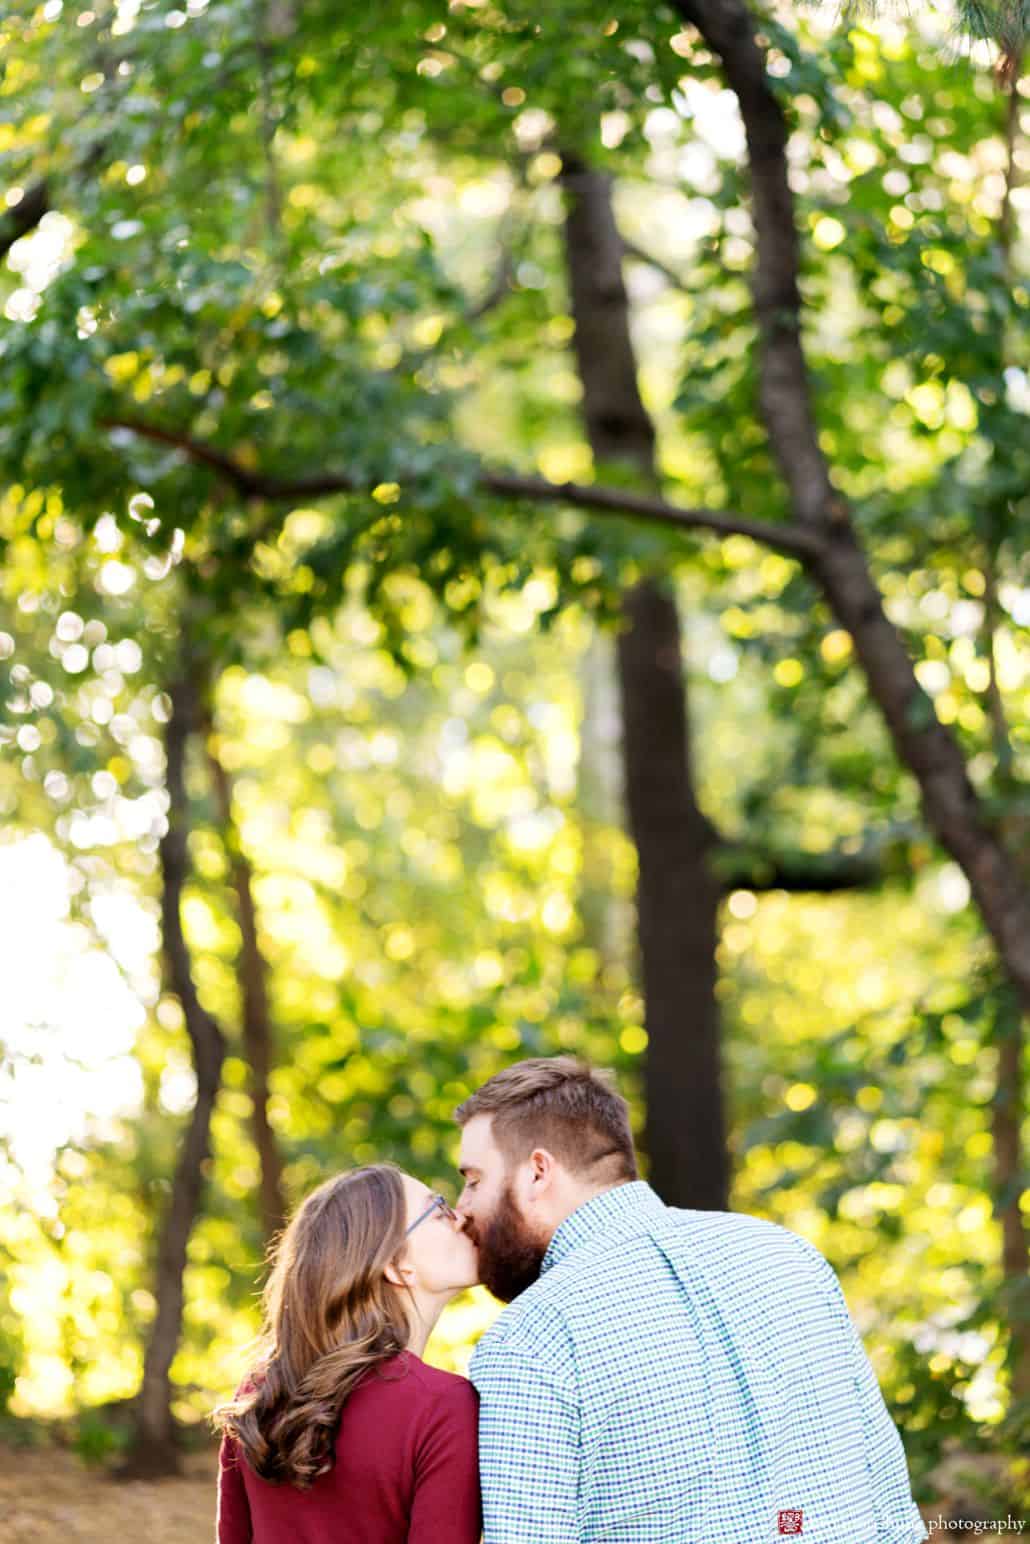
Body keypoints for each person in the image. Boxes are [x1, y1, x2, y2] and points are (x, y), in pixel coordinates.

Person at [455, 1055, 927, 1544]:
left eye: (474, 1180)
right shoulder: (787, 1255)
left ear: (537, 1172)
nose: (463, 1206)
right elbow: (890, 1505)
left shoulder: (533, 1336)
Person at [211, 1163, 482, 1544]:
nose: (461, 1219)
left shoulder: (261, 1393)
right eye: (438, 1209)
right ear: (395, 1264)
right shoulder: (443, 1405)